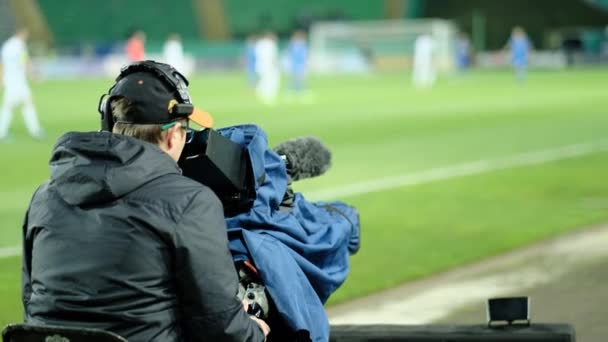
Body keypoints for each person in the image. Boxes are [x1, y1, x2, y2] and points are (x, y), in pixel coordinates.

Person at [21, 60, 270, 342]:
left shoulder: (43, 198)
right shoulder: (190, 202)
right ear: (173, 134)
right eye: (186, 131)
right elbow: (220, 328)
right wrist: (253, 330)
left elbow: (32, 302)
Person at [0, 28, 43, 140]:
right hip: (18, 81)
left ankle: (35, 130)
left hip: (10, 80)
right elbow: (25, 62)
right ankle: (2, 132)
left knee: (25, 103)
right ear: (21, 34)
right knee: (11, 106)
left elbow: (2, 64)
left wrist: (1, 79)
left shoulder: (7, 46)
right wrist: (34, 75)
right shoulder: (20, 46)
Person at [254, 31, 280, 105]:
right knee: (271, 80)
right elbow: (272, 56)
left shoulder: (260, 44)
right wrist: (274, 65)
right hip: (268, 65)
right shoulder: (270, 45)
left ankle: (261, 93)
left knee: (264, 79)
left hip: (260, 65)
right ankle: (268, 95)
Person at [286, 30, 309, 96]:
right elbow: (291, 54)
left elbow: (304, 55)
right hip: (295, 64)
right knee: (295, 78)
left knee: (300, 78)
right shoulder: (294, 45)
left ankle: (299, 90)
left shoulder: (301, 45)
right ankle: (292, 90)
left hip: (299, 64)